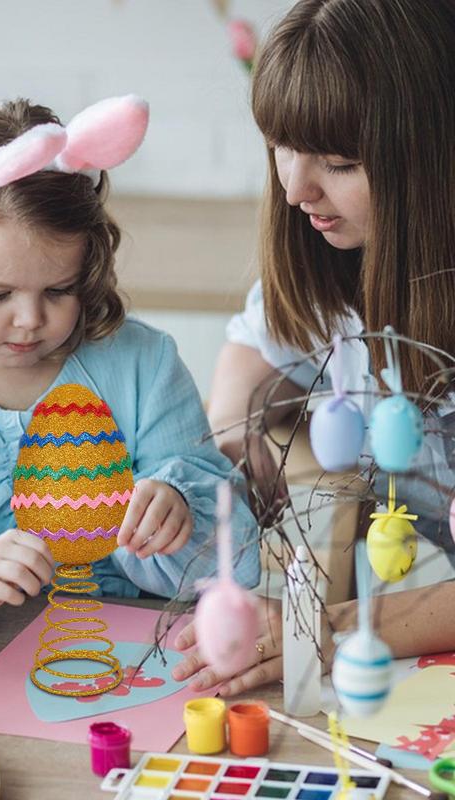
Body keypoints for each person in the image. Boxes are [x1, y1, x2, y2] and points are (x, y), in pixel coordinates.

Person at [0, 96, 259, 639]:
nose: (30, 320)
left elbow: (240, 557)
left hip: (139, 651)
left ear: (87, 272)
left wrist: (178, 505)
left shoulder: (145, 365)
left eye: (59, 290)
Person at [173, 0, 455, 695]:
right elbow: (248, 363)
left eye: (338, 161)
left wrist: (318, 627)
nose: (296, 187)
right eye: (283, 144)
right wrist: (228, 465)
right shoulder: (329, 264)